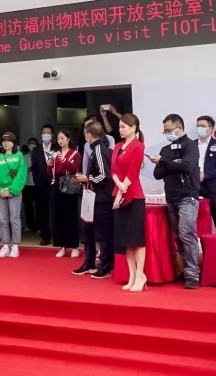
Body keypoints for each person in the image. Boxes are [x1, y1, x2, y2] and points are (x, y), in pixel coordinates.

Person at [150, 114, 201, 289]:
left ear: (179, 128)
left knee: (187, 234)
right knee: (178, 236)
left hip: (188, 197)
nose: (167, 134)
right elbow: (157, 173)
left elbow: (187, 166)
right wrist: (172, 163)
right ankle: (185, 270)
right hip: (171, 198)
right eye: (164, 131)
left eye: (169, 130)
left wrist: (165, 162)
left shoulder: (190, 145)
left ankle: (193, 274)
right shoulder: (165, 149)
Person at [75, 121, 115, 278]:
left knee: (102, 233)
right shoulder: (95, 149)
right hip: (91, 196)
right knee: (88, 230)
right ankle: (89, 262)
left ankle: (105, 266)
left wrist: (87, 178)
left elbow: (104, 175)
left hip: (101, 198)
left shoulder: (99, 149)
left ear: (89, 135)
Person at [112, 113, 147, 292]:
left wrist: (122, 190)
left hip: (134, 196)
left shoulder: (138, 146)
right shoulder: (118, 146)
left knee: (137, 239)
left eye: (123, 127)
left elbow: (133, 172)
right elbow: (113, 170)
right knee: (126, 240)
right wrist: (118, 185)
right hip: (120, 193)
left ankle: (140, 275)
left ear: (133, 128)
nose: (120, 130)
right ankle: (132, 275)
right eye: (119, 127)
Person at [0, 132, 28, 257]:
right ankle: (5, 245)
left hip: (14, 192)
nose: (6, 143)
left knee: (14, 218)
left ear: (13, 142)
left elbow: (21, 174)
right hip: (1, 192)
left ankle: (15, 245)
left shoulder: (19, 156)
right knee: (3, 219)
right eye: (4, 141)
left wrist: (12, 190)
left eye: (8, 141)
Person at [48, 130, 81, 258]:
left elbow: (75, 169)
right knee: (58, 216)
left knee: (71, 216)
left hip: (70, 184)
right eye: (58, 139)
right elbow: (50, 173)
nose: (60, 141)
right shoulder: (55, 153)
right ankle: (62, 246)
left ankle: (74, 246)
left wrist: (64, 161)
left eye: (62, 138)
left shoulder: (75, 154)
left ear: (68, 139)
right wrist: (50, 164)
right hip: (57, 185)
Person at [196, 116, 216, 233]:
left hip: (214, 187)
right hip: (195, 187)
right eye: (198, 126)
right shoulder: (191, 145)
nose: (199, 128)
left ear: (210, 129)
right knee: (195, 219)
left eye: (203, 126)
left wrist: (205, 176)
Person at [30, 124, 56, 245]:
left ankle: (56, 235)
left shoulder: (56, 148)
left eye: (48, 133)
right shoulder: (36, 150)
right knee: (42, 211)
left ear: (52, 135)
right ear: (41, 135)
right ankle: (45, 236)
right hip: (41, 185)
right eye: (44, 133)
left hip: (55, 184)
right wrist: (37, 181)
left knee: (55, 210)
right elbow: (34, 168)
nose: (46, 135)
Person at [22, 138, 38, 231]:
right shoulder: (24, 157)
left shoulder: (39, 156)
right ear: (28, 145)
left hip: (37, 184)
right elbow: (21, 171)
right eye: (30, 143)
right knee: (28, 206)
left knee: (38, 206)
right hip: (27, 184)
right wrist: (27, 169)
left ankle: (39, 226)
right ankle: (29, 225)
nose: (32, 145)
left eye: (34, 143)